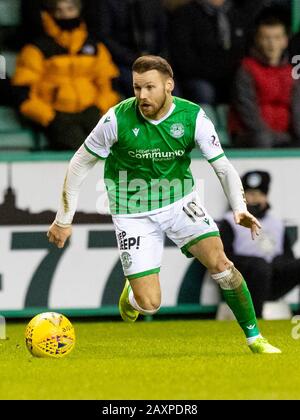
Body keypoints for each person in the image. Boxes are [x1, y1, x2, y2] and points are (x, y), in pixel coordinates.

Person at [47, 55, 281, 354]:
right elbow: (80, 162)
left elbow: (221, 166)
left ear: (168, 86)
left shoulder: (192, 116)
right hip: (133, 212)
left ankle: (254, 338)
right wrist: (64, 219)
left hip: (180, 202)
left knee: (222, 265)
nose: (142, 96)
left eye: (150, 87)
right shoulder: (116, 119)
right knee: (150, 304)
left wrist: (239, 206)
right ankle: (133, 294)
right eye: (136, 88)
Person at [12, 0, 120, 150]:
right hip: (57, 114)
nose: (65, 15)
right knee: (80, 149)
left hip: (91, 111)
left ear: (78, 11)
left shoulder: (95, 47)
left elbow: (108, 82)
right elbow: (23, 93)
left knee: (112, 146)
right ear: (50, 14)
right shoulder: (37, 49)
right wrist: (49, 117)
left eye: (70, 9)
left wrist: (101, 108)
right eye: (59, 11)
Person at [220, 170, 300, 318]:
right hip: (242, 282)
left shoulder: (276, 223)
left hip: (272, 284)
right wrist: (256, 263)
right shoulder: (230, 221)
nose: (254, 199)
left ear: (266, 196)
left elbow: (288, 257)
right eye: (250, 194)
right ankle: (254, 321)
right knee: (260, 266)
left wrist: (276, 263)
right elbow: (223, 258)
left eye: (259, 194)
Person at [169, 0, 268, 105]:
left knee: (251, 86)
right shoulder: (186, 14)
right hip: (199, 76)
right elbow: (183, 57)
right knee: (205, 92)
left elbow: (245, 49)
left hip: (232, 74)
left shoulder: (237, 12)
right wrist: (213, 72)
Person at [230, 15, 300, 148]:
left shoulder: (291, 72)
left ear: (285, 41)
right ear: (257, 40)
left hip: (285, 135)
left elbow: (297, 109)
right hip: (251, 135)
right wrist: (268, 134)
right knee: (262, 138)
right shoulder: (246, 69)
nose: (272, 43)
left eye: (277, 38)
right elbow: (247, 111)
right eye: (266, 38)